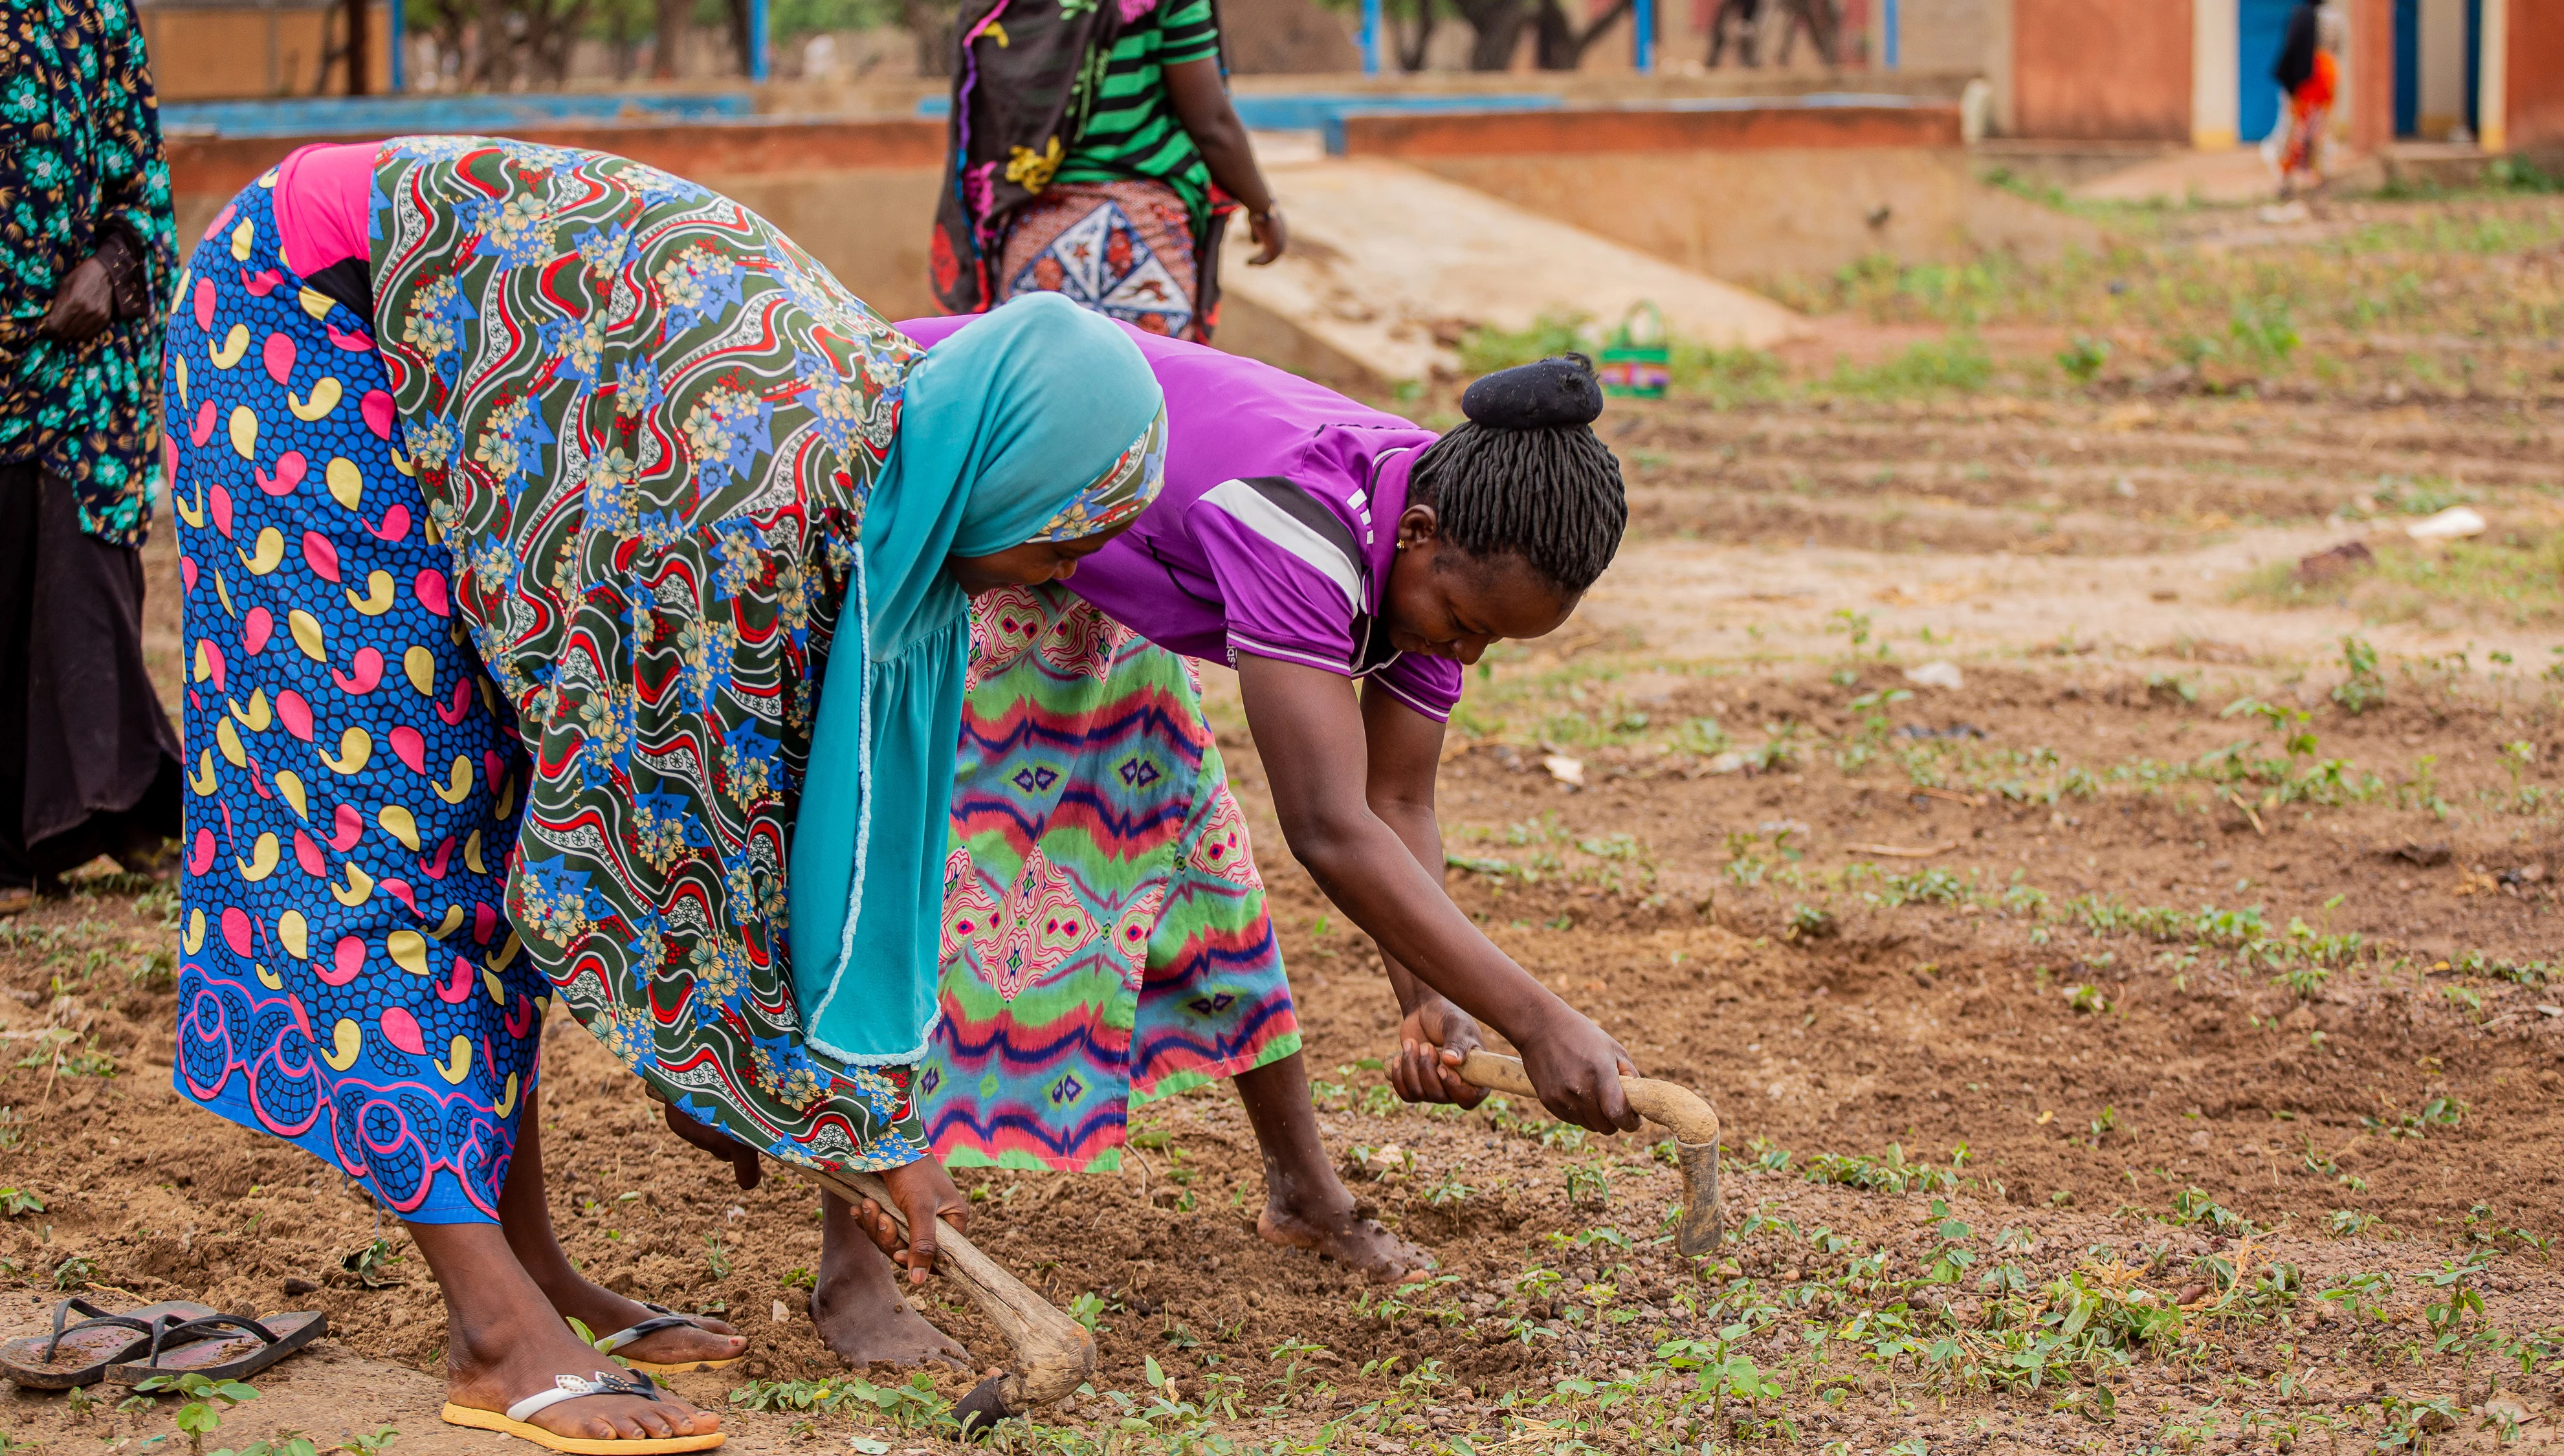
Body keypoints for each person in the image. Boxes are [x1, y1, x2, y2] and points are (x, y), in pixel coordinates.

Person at [165, 135, 1164, 1450]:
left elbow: (790, 804)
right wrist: (773, 1085)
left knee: (485, 798)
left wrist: (849, 1101)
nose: (1053, 580)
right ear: (1004, 470)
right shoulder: (764, 494)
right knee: (389, 827)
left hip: (430, 356)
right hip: (306, 329)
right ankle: (494, 1331)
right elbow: (665, 815)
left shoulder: (893, 452)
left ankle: (532, 1273)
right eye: (1057, 539)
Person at [736, 320, 1641, 1366]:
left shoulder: (1440, 552)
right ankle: (857, 1272)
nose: (1465, 651)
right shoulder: (1303, 524)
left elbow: (1393, 804)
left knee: (1186, 842)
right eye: (1463, 623)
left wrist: (1429, 1001)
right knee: (932, 870)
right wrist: (1536, 1020)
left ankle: (1304, 1187)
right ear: (1425, 534)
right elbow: (1329, 829)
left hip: (1093, 566)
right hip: (963, 494)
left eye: (1488, 641)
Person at [0, 0, 183, 916]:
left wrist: (113, 268)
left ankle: (122, 812)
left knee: (82, 584)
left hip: (73, 359)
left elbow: (143, 189)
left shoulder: (90, 13)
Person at [927, 0, 1285, 344]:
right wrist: (1263, 209)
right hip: (1146, 244)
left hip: (1035, 246)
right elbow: (1212, 124)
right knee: (1156, 398)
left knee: (1037, 399)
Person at [2272, 2, 2340, 197]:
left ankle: (2292, 180)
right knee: (2315, 132)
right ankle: (2317, 179)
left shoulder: (2304, 16)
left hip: (2309, 86)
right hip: (2320, 84)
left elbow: (2293, 50)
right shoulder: (2330, 19)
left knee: (2297, 133)